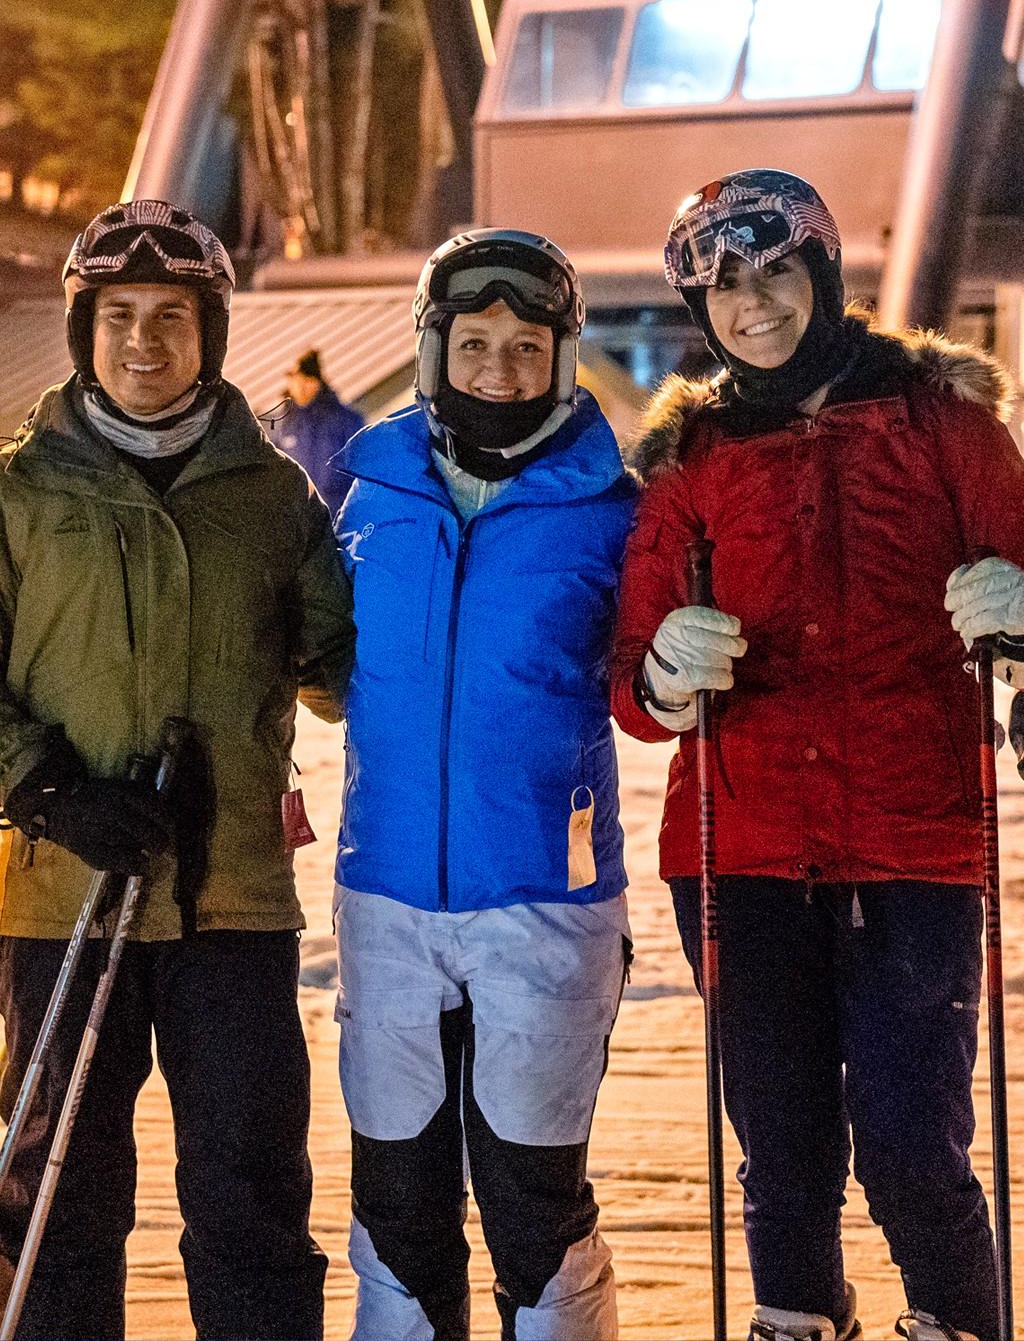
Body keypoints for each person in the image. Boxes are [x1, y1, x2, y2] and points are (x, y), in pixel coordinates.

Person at [610, 169, 1024, 1341]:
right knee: (780, 1139)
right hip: (738, 848)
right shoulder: (690, 460)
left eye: (774, 271)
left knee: (909, 1137)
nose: (753, 305)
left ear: (822, 273)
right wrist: (662, 676)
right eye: (722, 287)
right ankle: (796, 1315)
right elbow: (631, 680)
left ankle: (954, 1320)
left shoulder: (944, 424)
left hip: (914, 844)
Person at [0, 199, 355, 1341]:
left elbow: (346, 668)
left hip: (231, 904)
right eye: (117, 317)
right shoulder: (18, 492)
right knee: (55, 1196)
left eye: (171, 317)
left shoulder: (273, 498)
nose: (143, 341)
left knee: (249, 1192)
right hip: (61, 896)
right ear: (84, 332)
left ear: (208, 331)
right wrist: (45, 789)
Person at [332, 228, 635, 1341]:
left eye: (525, 345)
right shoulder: (367, 488)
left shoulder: (611, 506)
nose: (499, 369)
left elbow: (649, 682)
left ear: (560, 356)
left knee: (528, 1194)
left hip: (542, 899)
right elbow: (309, 652)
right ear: (432, 349)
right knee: (397, 1192)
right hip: (388, 897)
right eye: (474, 343)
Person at [272, 348, 363, 514]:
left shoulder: (344, 419)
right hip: (301, 519)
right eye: (295, 380)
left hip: (341, 513)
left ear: (317, 382)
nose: (300, 386)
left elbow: (362, 466)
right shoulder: (281, 425)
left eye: (306, 380)